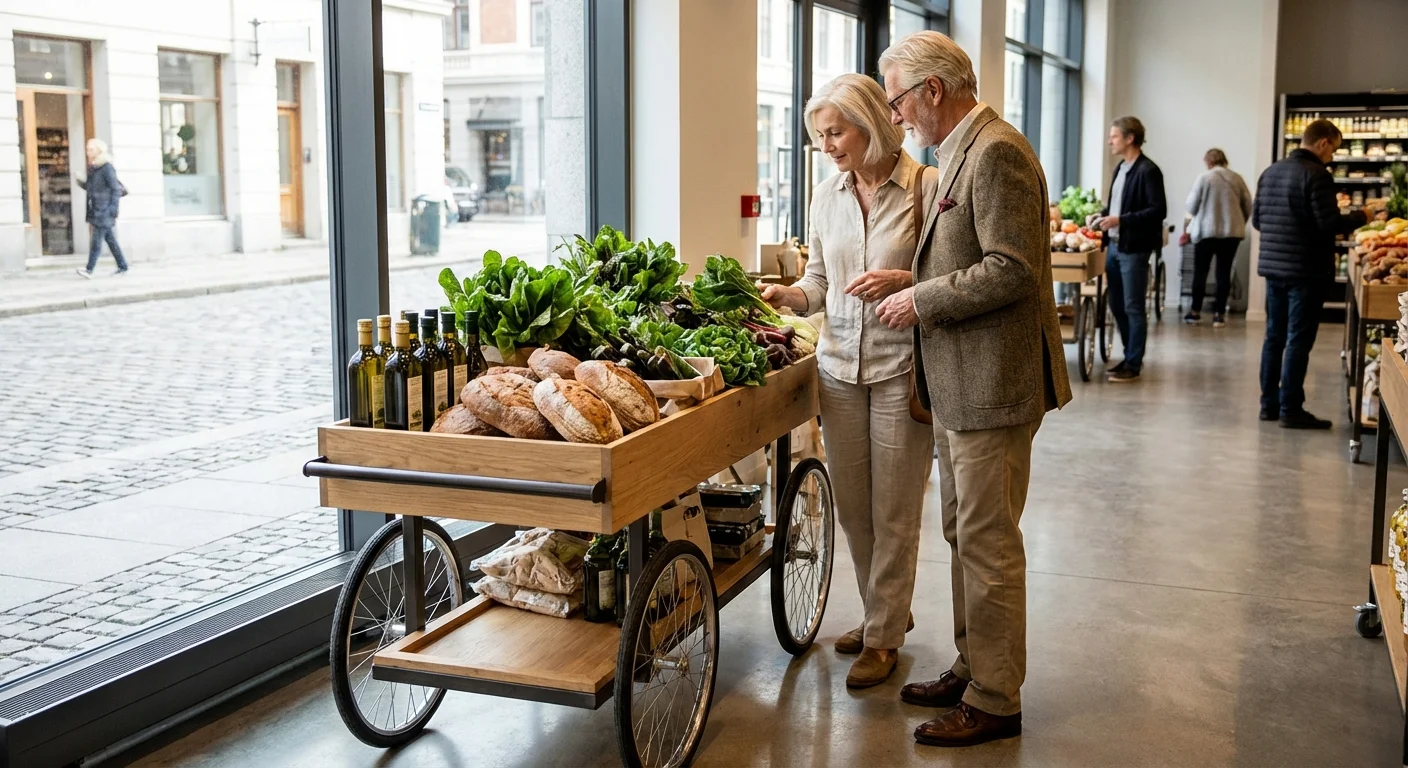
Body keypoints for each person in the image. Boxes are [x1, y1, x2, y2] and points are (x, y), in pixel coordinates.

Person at [875, 31, 1072, 748]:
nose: (895, 117)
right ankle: (975, 662)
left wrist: (924, 302)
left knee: (988, 542)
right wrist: (913, 279)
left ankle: (995, 696)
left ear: (932, 90)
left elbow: (1012, 269)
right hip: (964, 384)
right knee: (965, 533)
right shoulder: (959, 149)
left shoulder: (996, 153)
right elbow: (971, 255)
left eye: (898, 100)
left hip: (993, 384)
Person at [759, 73, 933, 690]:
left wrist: (907, 283)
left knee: (895, 509)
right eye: (819, 135)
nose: (827, 145)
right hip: (837, 367)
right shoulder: (826, 195)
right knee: (854, 508)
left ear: (872, 124)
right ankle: (885, 610)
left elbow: (945, 277)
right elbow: (821, 284)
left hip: (900, 368)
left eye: (835, 131)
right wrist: (790, 296)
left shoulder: (926, 189)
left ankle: (883, 636)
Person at [1253, 119, 1373, 429]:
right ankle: (1291, 409)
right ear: (1321, 143)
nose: (1332, 156)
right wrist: (1364, 215)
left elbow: (1257, 221)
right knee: (1298, 340)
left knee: (1274, 337)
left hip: (1273, 268)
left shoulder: (1270, 172)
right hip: (1305, 271)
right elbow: (1328, 224)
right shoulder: (1317, 175)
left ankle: (1269, 405)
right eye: (1333, 149)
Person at [1088, 117, 1166, 382]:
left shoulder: (1148, 170)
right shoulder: (1120, 168)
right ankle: (1128, 356)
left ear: (1130, 138)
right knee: (1116, 304)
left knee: (1133, 306)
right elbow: (1115, 207)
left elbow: (1158, 211)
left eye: (1114, 136)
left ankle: (1134, 363)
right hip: (1114, 247)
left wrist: (1121, 220)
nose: (1110, 141)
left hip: (1134, 249)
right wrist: (1100, 217)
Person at [1182, 149, 1252, 327]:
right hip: (1231, 233)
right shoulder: (1237, 178)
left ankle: (1195, 312)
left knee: (1200, 272)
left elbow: (1191, 205)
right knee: (1224, 273)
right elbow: (1248, 205)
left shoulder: (1204, 178)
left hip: (1206, 232)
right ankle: (1219, 315)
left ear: (1209, 162)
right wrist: (1239, 221)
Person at [75, 138, 129, 279]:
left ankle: (89, 270)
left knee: (96, 241)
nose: (88, 152)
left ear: (99, 151)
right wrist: (81, 182)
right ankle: (123, 266)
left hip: (104, 210)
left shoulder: (106, 168)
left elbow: (115, 189)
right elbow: (92, 189)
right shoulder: (94, 168)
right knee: (110, 240)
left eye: (91, 149)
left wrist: (112, 209)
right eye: (87, 149)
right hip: (97, 209)